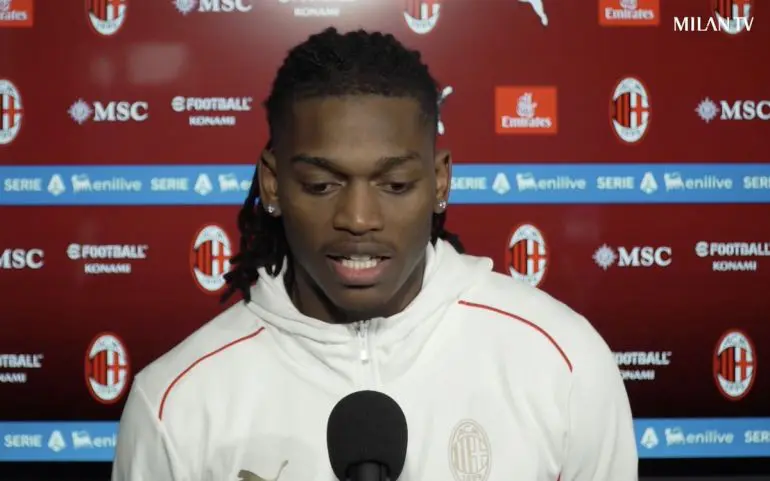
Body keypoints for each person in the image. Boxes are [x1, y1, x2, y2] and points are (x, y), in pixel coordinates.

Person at [112, 27, 638, 481]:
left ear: (440, 182)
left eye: (395, 184)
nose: (359, 219)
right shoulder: (176, 404)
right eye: (321, 185)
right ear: (272, 184)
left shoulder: (562, 363)